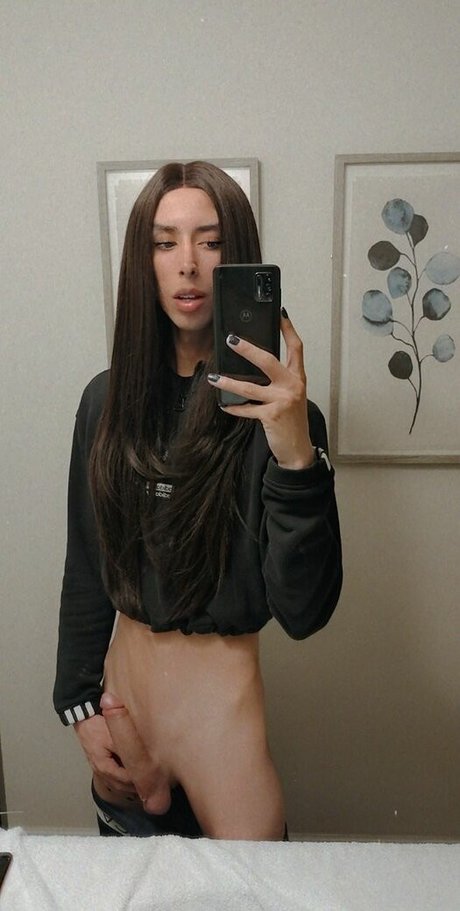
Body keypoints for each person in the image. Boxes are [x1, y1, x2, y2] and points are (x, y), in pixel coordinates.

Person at [53, 160, 342, 840]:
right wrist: (78, 707)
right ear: (143, 261)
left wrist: (295, 454)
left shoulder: (283, 418)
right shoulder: (104, 402)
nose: (188, 263)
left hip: (223, 724)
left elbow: (304, 611)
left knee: (245, 886)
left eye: (210, 242)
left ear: (238, 258)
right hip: (126, 711)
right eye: (165, 242)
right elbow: (87, 564)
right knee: (130, 887)